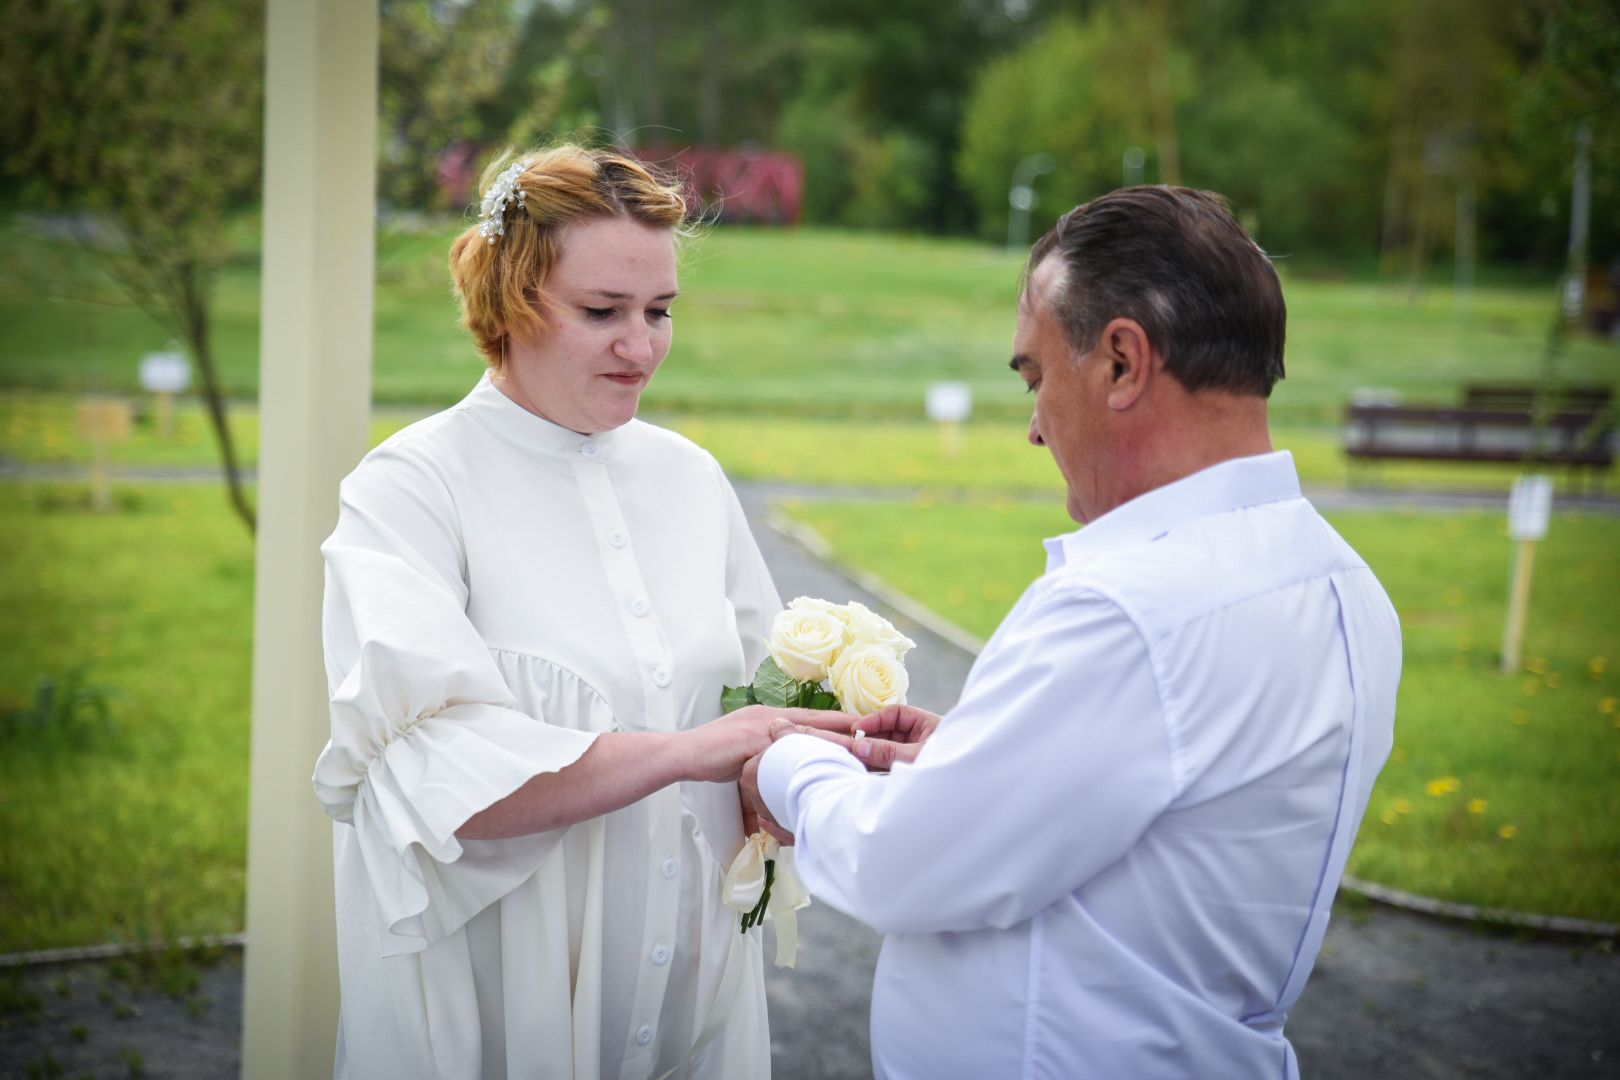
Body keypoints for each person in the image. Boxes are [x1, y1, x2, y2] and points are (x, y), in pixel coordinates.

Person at [745, 186, 1403, 1079]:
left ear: (1124, 362)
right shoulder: (1343, 581)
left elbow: (901, 866)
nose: (1033, 426)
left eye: (1035, 375)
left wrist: (787, 761)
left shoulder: (1129, 606)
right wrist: (978, 760)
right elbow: (1168, 819)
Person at [311, 144, 842, 1080]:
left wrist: (794, 769)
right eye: (603, 312)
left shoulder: (690, 480)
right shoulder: (411, 490)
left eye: (660, 311)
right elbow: (436, 790)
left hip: (696, 1001)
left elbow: (756, 710)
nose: (641, 347)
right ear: (510, 298)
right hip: (497, 1017)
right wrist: (686, 754)